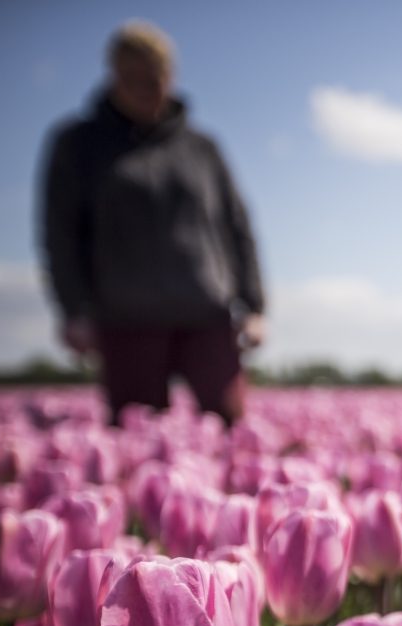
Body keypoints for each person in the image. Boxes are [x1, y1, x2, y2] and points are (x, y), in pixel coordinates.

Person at [38, 21, 265, 426]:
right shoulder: (78, 144)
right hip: (127, 316)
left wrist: (254, 304)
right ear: (113, 77)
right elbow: (60, 232)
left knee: (231, 427)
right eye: (133, 78)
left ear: (171, 76)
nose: (146, 88)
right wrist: (72, 308)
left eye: (155, 77)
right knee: (135, 435)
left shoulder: (201, 147)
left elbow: (236, 226)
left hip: (206, 311)